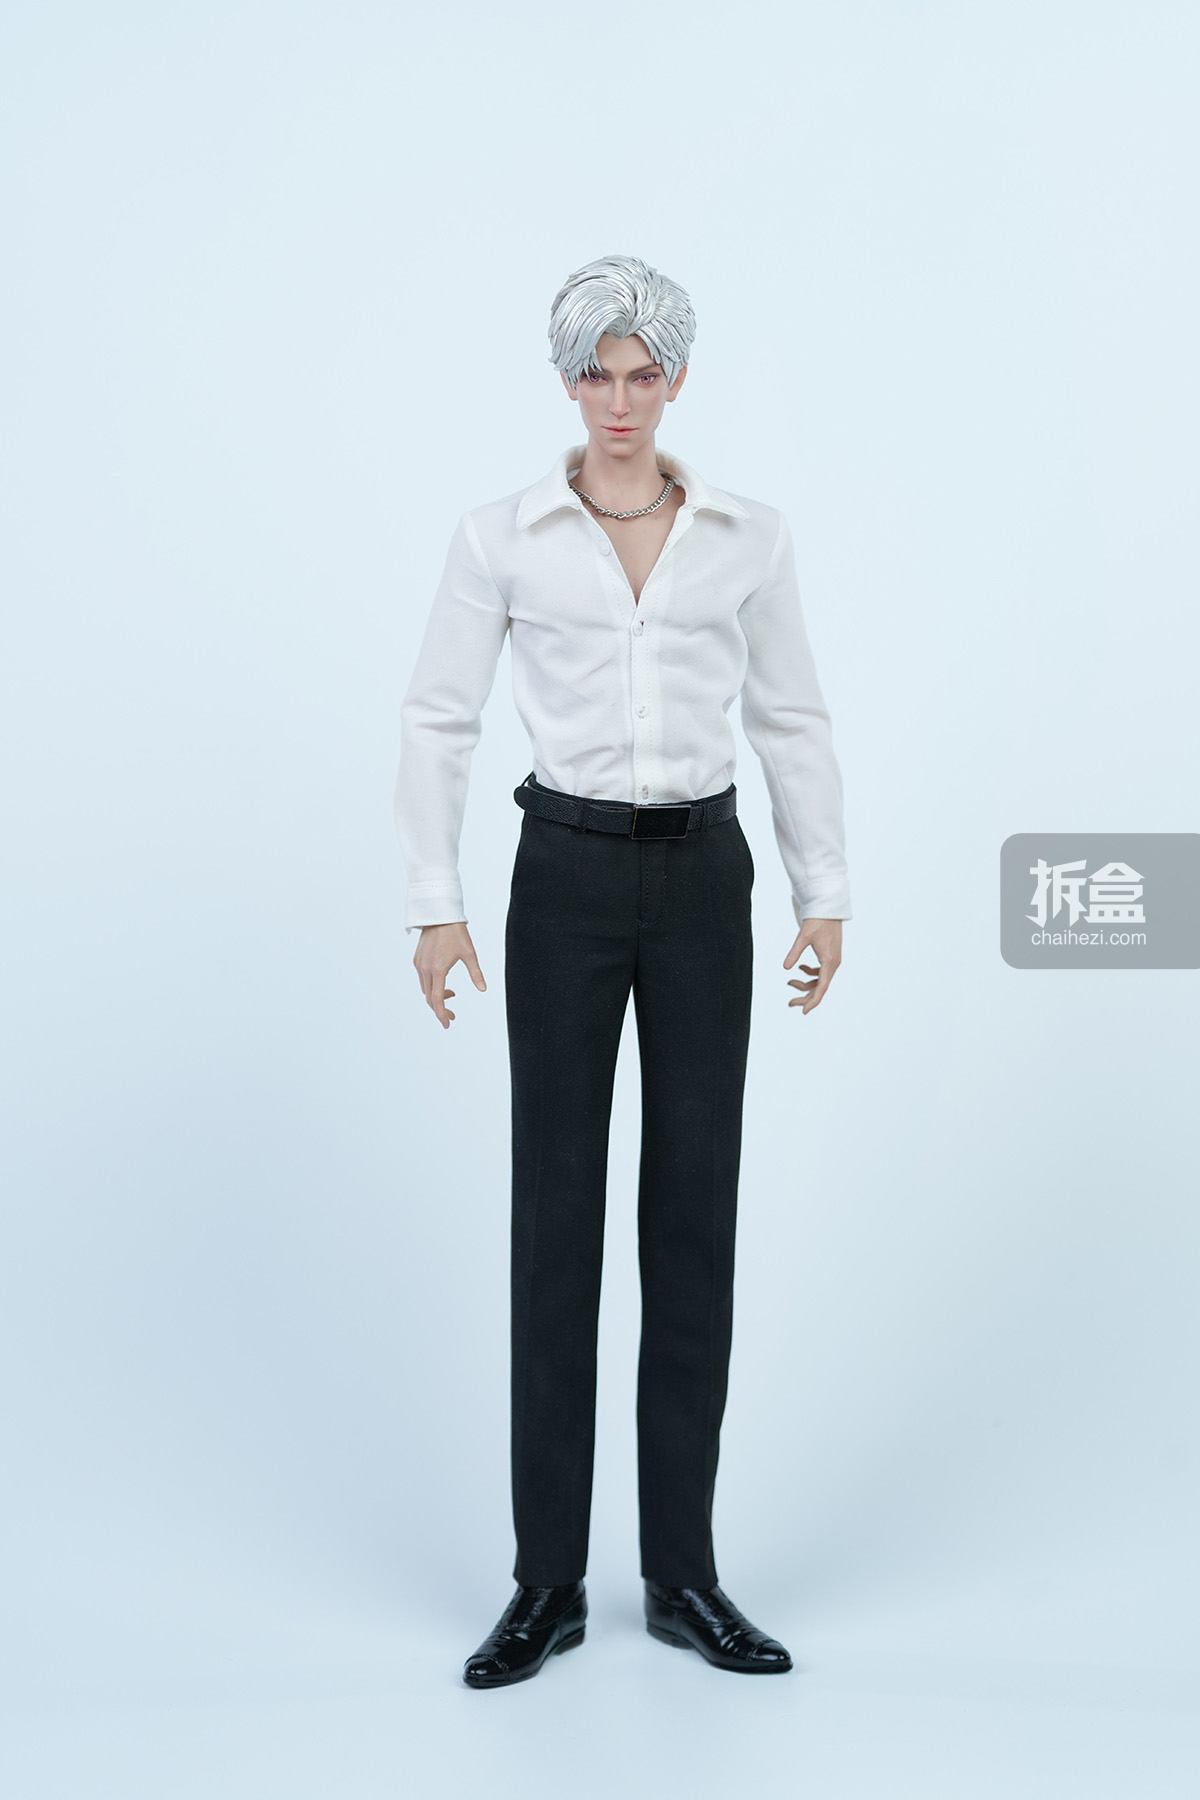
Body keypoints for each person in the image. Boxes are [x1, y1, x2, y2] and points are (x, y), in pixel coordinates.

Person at [393, 254, 852, 1687]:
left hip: (707, 879)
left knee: (692, 1219)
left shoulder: (748, 539)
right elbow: (439, 717)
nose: (618, 400)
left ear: (679, 380)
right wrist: (434, 902)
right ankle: (548, 1582)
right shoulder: (502, 537)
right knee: (557, 1223)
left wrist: (825, 891)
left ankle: (682, 1573)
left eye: (643, 373)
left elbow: (791, 719)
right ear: (564, 380)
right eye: (595, 373)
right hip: (566, 878)